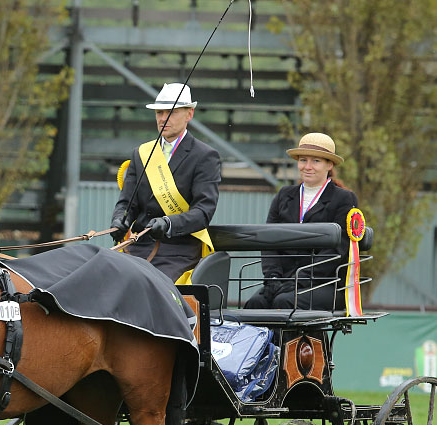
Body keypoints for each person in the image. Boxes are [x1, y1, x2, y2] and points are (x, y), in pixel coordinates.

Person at [110, 83, 221, 283]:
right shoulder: (141, 154)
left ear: (189, 114)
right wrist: (119, 220)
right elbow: (127, 203)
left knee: (150, 284)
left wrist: (169, 223)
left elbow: (204, 211)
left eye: (170, 112)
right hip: (139, 245)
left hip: (179, 251)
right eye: (159, 112)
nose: (162, 118)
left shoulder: (205, 156)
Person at [243, 132, 359, 310]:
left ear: (330, 164)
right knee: (255, 303)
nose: (308, 166)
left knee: (285, 302)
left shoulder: (343, 199)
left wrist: (301, 279)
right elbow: (268, 241)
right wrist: (273, 278)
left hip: (325, 284)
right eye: (303, 160)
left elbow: (337, 250)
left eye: (316, 161)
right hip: (283, 282)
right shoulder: (284, 195)